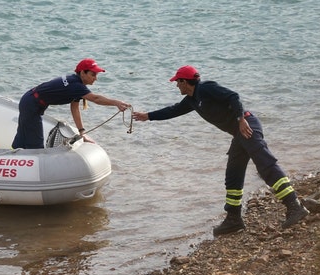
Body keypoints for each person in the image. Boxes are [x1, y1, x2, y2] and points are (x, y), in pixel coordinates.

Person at [132, 65, 309, 236]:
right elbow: (173, 110)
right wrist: (148, 116)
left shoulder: (206, 88)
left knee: (265, 164)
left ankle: (294, 206)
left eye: (177, 82)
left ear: (185, 81)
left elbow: (233, 96)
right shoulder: (192, 101)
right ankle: (233, 219)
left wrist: (240, 119)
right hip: (238, 133)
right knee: (233, 174)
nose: (176, 85)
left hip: (247, 126)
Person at [11, 58, 132, 149]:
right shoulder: (76, 85)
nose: (96, 78)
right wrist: (117, 103)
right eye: (93, 74)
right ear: (83, 73)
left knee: (23, 136)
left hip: (30, 100)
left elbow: (75, 108)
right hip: (31, 104)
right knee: (35, 142)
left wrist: (82, 132)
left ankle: (14, 155)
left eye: (96, 74)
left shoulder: (75, 82)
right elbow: (96, 99)